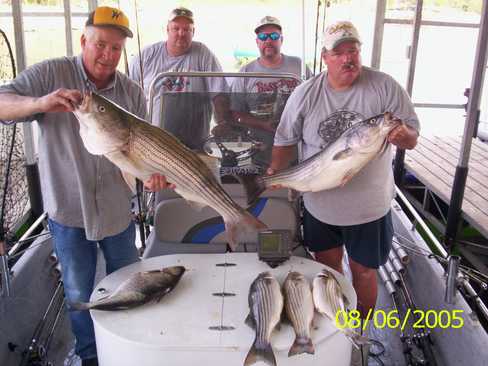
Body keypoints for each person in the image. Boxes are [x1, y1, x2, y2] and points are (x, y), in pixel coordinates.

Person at [0, 7, 152, 366]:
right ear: (84, 40)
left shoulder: (131, 92)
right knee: (79, 293)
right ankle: (91, 357)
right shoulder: (51, 73)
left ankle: (128, 350)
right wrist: (40, 103)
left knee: (127, 286)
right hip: (68, 211)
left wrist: (152, 173)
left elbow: (142, 154)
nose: (107, 55)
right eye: (100, 44)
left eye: (116, 48)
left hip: (117, 213)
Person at [268, 21, 419, 365]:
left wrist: (401, 135)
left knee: (365, 272)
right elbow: (283, 140)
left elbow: (412, 135)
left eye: (353, 50)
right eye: (339, 52)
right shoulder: (306, 93)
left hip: (370, 208)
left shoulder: (384, 87)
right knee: (328, 270)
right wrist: (276, 177)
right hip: (321, 207)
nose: (348, 58)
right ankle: (336, 327)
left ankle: (360, 334)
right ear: (325, 57)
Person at [129, 6, 230, 151]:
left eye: (187, 29)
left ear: (193, 32)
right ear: (167, 30)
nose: (181, 33)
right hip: (155, 141)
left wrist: (222, 122)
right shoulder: (146, 56)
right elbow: (131, 96)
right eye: (176, 28)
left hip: (196, 142)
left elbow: (219, 93)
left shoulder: (203, 54)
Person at [231, 16, 312, 168]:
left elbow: (314, 101)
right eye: (263, 36)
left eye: (274, 36)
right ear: (257, 41)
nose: (268, 40)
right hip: (259, 152)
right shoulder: (245, 72)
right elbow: (236, 113)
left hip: (297, 153)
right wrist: (263, 124)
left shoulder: (299, 66)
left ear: (281, 40)